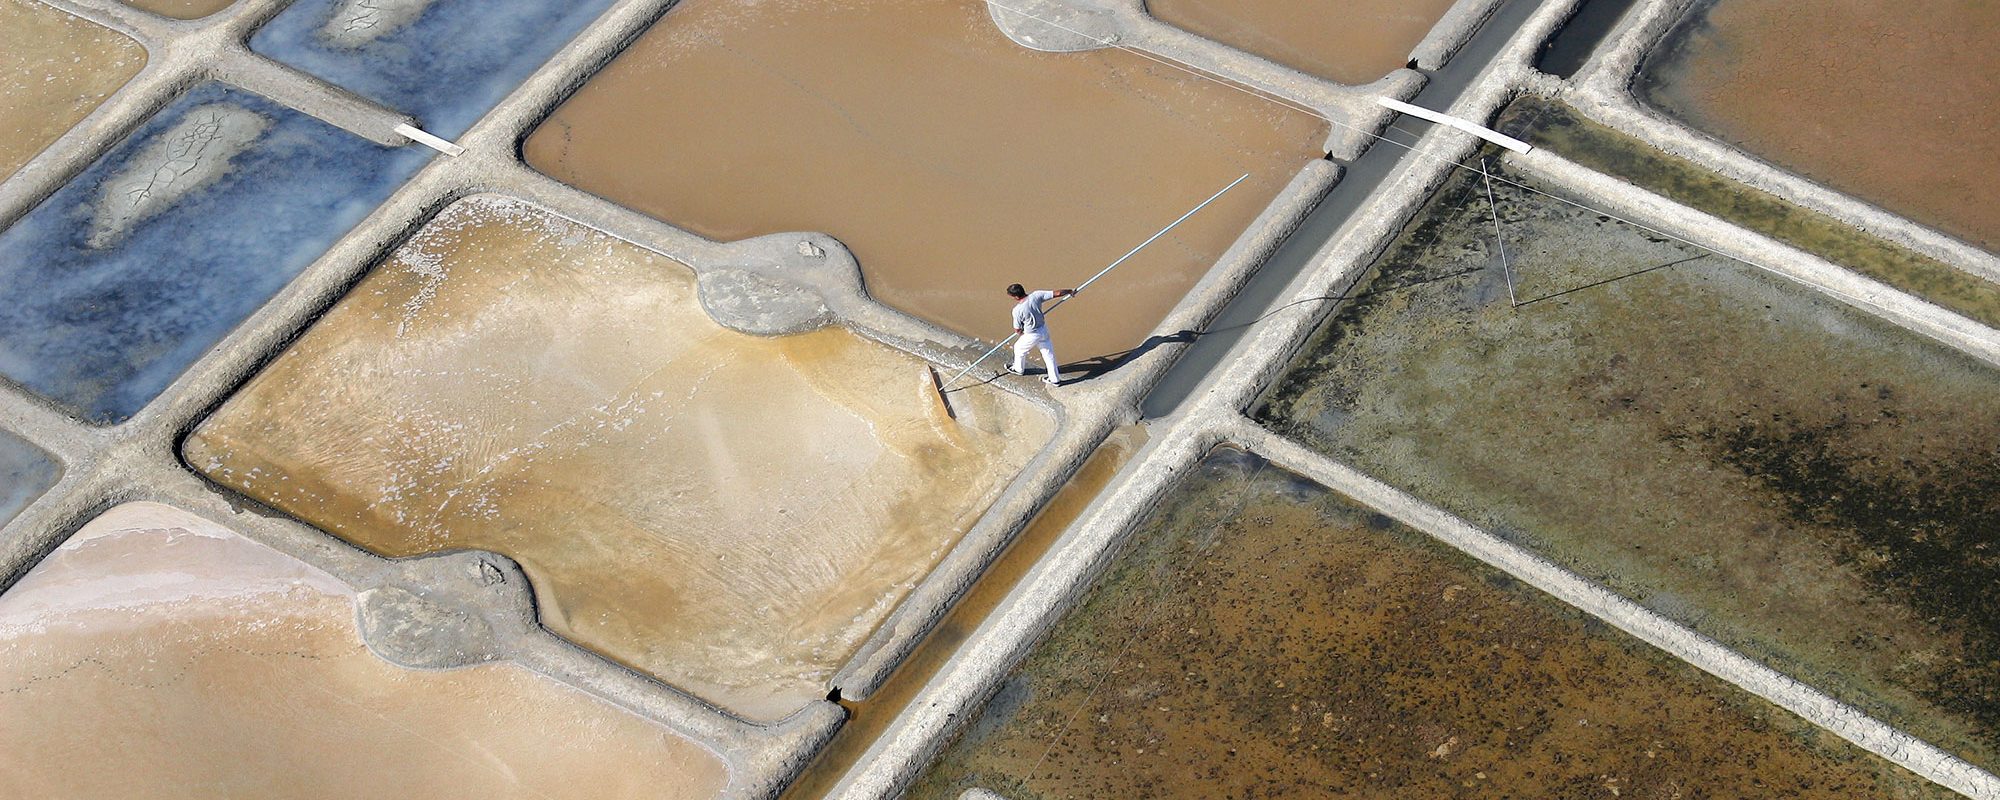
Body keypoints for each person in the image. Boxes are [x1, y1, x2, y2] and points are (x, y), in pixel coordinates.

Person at [1006, 283, 1073, 386]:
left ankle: (1018, 369)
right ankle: (1055, 379)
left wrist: (1021, 333)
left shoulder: (1017, 310)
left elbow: (1017, 330)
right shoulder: (1036, 295)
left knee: (1018, 348)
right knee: (1048, 355)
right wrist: (1069, 291)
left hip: (1031, 334)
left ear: (1015, 297)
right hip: (1043, 330)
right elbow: (1057, 293)